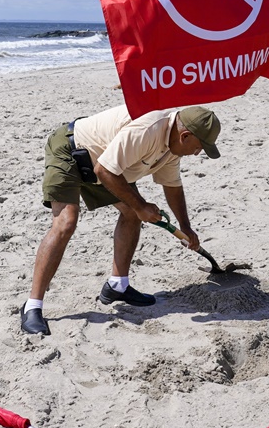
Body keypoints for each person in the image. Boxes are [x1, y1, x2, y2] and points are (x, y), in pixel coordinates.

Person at [20, 105, 222, 336]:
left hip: (104, 165)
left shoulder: (173, 146)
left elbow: (172, 186)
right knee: (66, 223)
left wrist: (185, 227)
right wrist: (141, 206)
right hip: (72, 150)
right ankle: (32, 307)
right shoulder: (148, 129)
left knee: (131, 213)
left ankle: (117, 286)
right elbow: (104, 171)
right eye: (198, 148)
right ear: (185, 136)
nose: (197, 154)